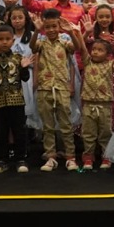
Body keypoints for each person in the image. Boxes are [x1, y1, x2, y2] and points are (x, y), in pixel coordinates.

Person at [68, 21, 114, 170]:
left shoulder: (110, 64)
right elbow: (82, 49)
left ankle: (106, 156)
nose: (95, 52)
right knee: (88, 132)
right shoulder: (88, 62)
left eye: (100, 50)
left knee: (105, 132)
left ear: (108, 54)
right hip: (88, 104)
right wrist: (81, 33)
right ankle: (88, 157)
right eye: (94, 49)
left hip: (105, 104)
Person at [30, 9, 78, 171]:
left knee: (66, 124)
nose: (51, 30)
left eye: (54, 26)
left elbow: (76, 48)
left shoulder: (64, 42)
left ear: (59, 26)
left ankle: (70, 156)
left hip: (62, 87)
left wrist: (71, 33)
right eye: (47, 27)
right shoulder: (41, 42)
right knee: (48, 125)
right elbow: (32, 47)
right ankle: (51, 156)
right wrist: (36, 31)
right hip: (45, 88)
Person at [0, 25, 33, 173]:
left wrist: (24, 68)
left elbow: (25, 78)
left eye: (7, 39)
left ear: (13, 41)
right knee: (1, 132)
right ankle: (2, 160)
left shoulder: (18, 58)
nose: (4, 42)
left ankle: (21, 159)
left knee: (19, 131)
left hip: (17, 101)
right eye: (0, 39)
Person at [6, 5, 39, 131]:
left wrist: (35, 80)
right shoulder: (7, 37)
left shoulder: (33, 36)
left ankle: (31, 135)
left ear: (26, 19)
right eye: (14, 18)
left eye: (20, 17)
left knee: (31, 109)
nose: (17, 21)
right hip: (11, 78)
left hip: (28, 77)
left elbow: (37, 60)